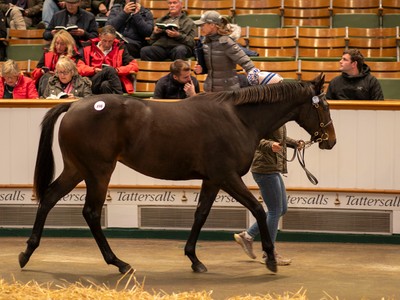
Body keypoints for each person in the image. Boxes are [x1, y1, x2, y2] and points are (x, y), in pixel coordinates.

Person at [234, 70, 298, 266]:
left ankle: (248, 235)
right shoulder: (262, 112)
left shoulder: (273, 109)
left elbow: (278, 138)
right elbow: (254, 137)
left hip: (272, 165)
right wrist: (269, 145)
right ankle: (269, 253)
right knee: (274, 210)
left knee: (281, 208)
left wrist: (294, 143)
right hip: (264, 166)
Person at [193, 10, 255, 92]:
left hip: (227, 91)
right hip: (210, 89)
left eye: (203, 25)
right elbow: (209, 68)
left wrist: (254, 75)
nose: (201, 28)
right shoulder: (205, 43)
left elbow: (245, 61)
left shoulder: (226, 42)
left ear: (212, 25)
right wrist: (200, 70)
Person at [80, 24, 139, 94]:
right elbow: (79, 67)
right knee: (109, 69)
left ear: (114, 39)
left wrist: (117, 70)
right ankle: (119, 96)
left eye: (110, 41)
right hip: (92, 81)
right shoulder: (88, 47)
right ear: (100, 37)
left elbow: (134, 66)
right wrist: (94, 70)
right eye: (104, 41)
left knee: (105, 85)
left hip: (112, 82)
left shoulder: (120, 48)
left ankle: (110, 103)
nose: (107, 44)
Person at [32, 29, 90, 96]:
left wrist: (94, 70)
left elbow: (82, 69)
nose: (58, 46)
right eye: (57, 43)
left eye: (62, 44)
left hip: (67, 81)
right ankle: (46, 99)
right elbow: (35, 72)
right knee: (46, 77)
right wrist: (41, 71)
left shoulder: (74, 56)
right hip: (50, 81)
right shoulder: (47, 54)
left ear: (68, 44)